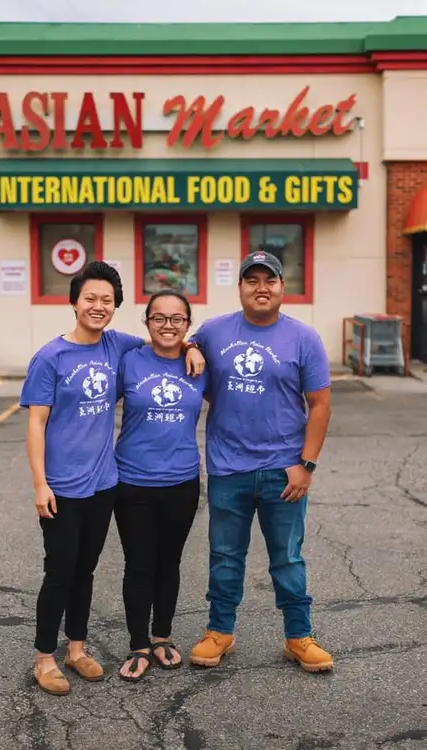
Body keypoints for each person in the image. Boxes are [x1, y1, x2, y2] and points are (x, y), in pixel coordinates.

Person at [20, 261, 204, 696]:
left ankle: (76, 649)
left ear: (116, 307)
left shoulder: (115, 346)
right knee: (60, 570)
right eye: (90, 298)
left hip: (105, 483)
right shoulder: (50, 357)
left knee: (85, 570)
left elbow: (164, 336)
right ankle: (44, 656)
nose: (98, 306)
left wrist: (192, 344)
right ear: (74, 302)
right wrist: (40, 483)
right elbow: (35, 424)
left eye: (106, 300)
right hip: (62, 485)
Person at [188, 250, 333, 673]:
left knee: (288, 558)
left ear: (282, 287)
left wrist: (306, 465)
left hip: (283, 471)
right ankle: (220, 632)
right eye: (251, 280)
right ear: (240, 288)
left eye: (269, 280)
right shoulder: (214, 331)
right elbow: (188, 347)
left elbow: (320, 405)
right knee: (225, 556)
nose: (261, 287)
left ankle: (298, 636)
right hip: (228, 468)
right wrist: (190, 346)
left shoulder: (303, 338)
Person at [114, 290, 208, 682]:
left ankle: (162, 636)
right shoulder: (129, 361)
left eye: (177, 319)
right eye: (159, 318)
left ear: (188, 323)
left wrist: (194, 346)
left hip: (182, 482)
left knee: (168, 563)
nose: (168, 325)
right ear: (146, 322)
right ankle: (139, 643)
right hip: (132, 481)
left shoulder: (202, 366)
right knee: (139, 565)